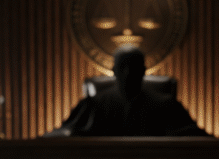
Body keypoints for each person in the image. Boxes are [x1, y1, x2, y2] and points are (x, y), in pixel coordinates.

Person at [43, 45, 207, 137]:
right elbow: (65, 133)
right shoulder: (94, 105)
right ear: (113, 70)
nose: (128, 72)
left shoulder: (166, 106)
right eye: (123, 66)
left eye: (134, 66)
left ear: (143, 70)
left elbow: (195, 137)